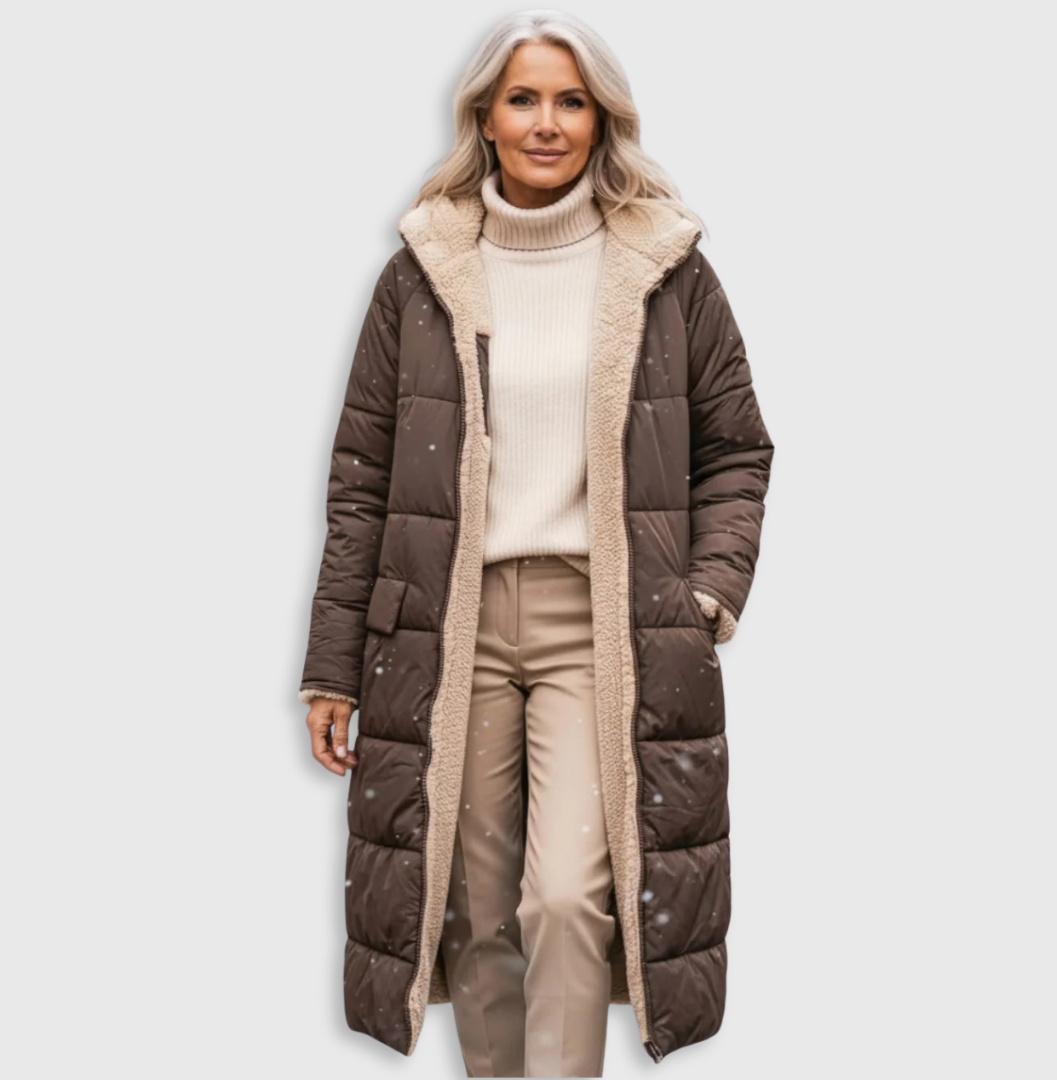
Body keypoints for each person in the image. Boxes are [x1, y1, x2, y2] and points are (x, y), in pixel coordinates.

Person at [297, 9, 774, 1076]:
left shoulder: (665, 269)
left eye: (571, 101)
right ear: (485, 117)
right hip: (446, 627)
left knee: (564, 896)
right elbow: (362, 483)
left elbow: (737, 449)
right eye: (523, 99)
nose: (547, 122)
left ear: (603, 119)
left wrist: (703, 595)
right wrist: (332, 665)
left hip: (601, 624)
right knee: (471, 906)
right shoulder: (422, 274)